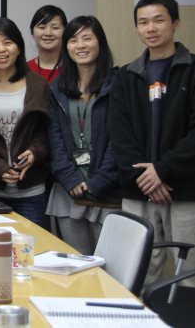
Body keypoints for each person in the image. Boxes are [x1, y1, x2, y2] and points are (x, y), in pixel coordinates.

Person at [111, 0, 195, 285]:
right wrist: (148, 178)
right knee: (135, 276)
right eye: (143, 22)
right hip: (138, 191)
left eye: (158, 20)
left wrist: (163, 170)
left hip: (186, 190)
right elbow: (120, 135)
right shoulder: (126, 76)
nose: (151, 28)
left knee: (190, 276)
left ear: (175, 23)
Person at [46, 16, 119, 254]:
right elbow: (53, 137)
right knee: (73, 266)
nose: (80, 46)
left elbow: (120, 139)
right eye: (73, 40)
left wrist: (100, 181)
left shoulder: (118, 84)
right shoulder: (57, 88)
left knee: (110, 269)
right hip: (69, 194)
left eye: (87, 38)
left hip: (107, 194)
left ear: (100, 42)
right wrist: (69, 177)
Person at [0, 17, 51, 227]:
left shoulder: (37, 85)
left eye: (7, 42)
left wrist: (34, 152)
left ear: (19, 47)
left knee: (33, 246)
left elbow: (45, 130)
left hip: (31, 190)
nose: (1, 50)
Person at [27, 5, 67, 83]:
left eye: (55, 28)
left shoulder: (75, 69)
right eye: (42, 27)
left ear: (65, 32)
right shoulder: (23, 71)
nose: (48, 33)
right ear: (32, 32)